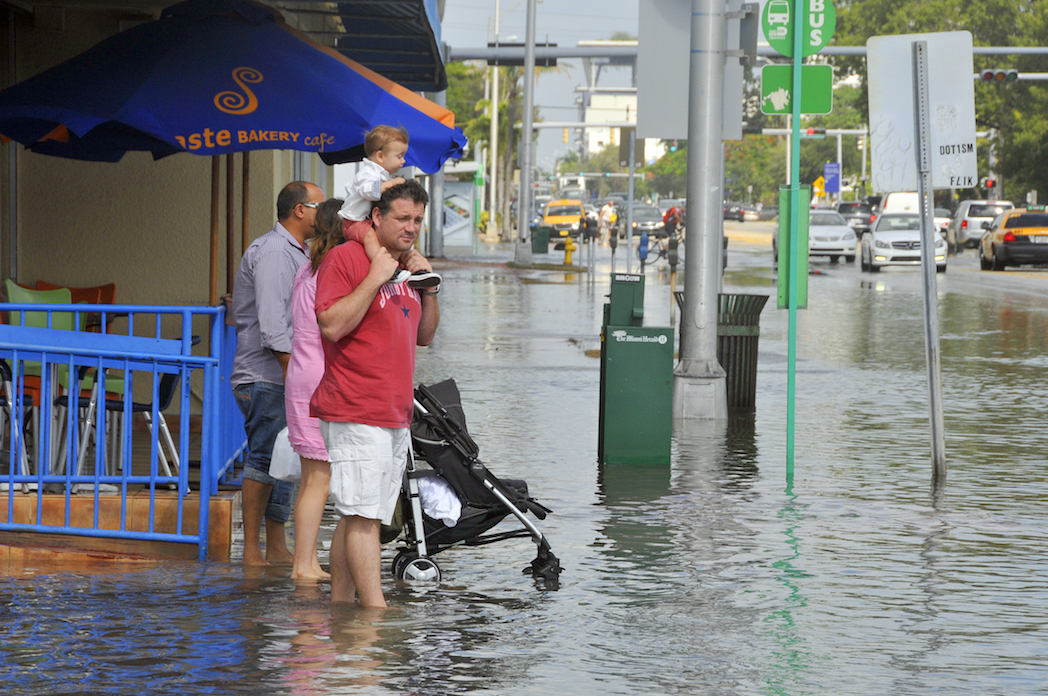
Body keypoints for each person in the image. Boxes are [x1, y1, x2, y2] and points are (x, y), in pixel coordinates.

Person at [312, 179, 440, 607]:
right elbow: (330, 324)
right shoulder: (346, 259)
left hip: (394, 412)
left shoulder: (406, 268)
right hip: (355, 407)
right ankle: (374, 616)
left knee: (357, 517)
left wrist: (428, 285)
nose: (411, 227)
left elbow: (425, 336)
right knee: (364, 518)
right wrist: (375, 278)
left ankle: (342, 611)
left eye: (418, 220)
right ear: (377, 217)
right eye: (403, 218)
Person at [231, 181, 324, 567]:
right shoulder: (272, 251)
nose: (325, 212)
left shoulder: (299, 252)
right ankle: (252, 548)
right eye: (319, 205)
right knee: (263, 458)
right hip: (268, 374)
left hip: (284, 374)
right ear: (299, 210)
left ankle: (276, 544)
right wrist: (296, 379)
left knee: (287, 457)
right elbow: (273, 328)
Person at [285, 198, 346, 581]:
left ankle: (304, 562)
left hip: (301, 372)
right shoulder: (331, 272)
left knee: (312, 478)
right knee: (319, 480)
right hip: (320, 375)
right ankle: (304, 565)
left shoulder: (306, 269)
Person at [338, 124, 440, 290]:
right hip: (353, 221)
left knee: (400, 245)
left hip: (363, 220)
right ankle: (387, 269)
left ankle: (416, 271)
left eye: (418, 220)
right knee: (370, 238)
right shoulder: (368, 174)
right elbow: (367, 190)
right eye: (399, 156)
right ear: (380, 156)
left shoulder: (381, 174)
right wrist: (388, 185)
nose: (403, 160)